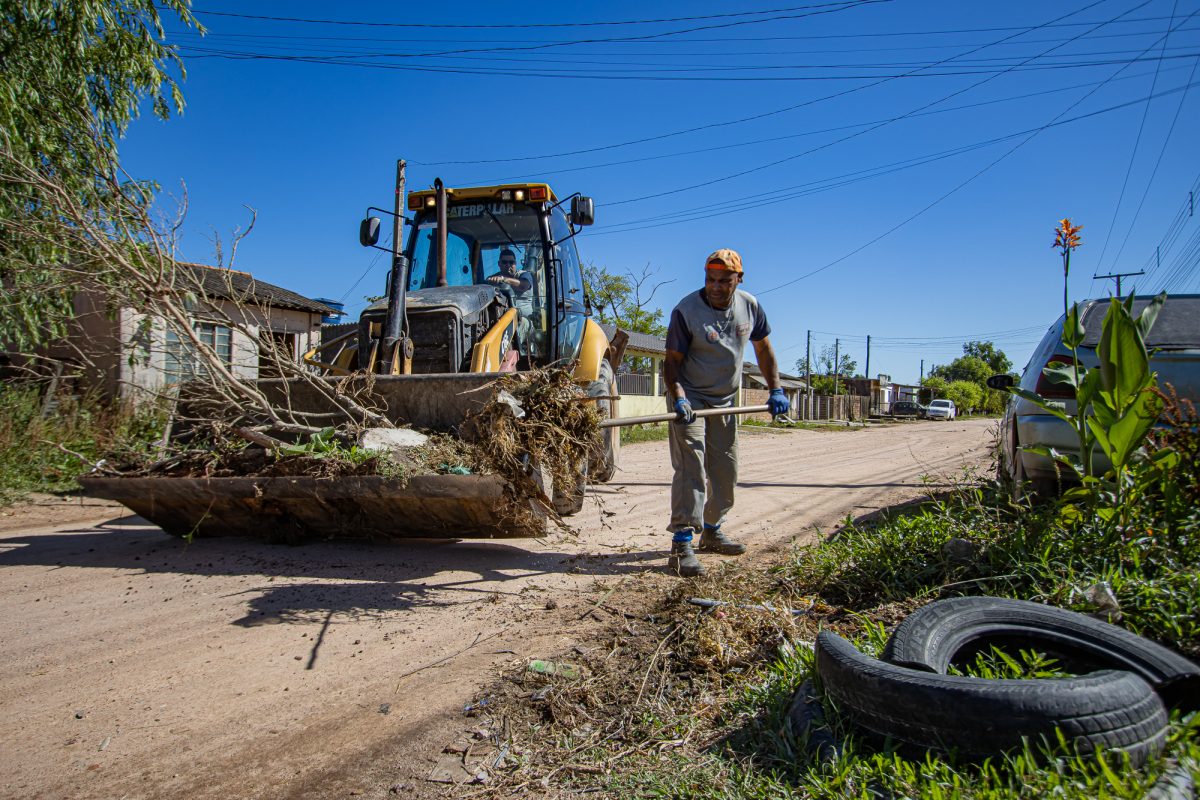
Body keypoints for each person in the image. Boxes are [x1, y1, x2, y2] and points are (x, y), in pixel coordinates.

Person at [663, 248, 789, 577]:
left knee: (725, 471)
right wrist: (678, 398)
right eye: (710, 280)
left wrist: (775, 388)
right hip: (689, 397)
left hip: (726, 399)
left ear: (739, 279)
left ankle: (712, 529)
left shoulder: (750, 306)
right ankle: (681, 543)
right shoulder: (687, 310)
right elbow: (671, 362)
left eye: (723, 281)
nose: (715, 287)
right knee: (691, 465)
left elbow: (763, 349)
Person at [486, 248, 535, 353]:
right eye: (504, 262)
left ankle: (505, 353)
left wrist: (504, 279)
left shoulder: (524, 275)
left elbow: (523, 285)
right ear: (499, 263)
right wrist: (491, 282)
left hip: (523, 319)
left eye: (511, 262)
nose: (508, 265)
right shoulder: (493, 279)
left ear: (515, 263)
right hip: (498, 320)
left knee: (516, 327)